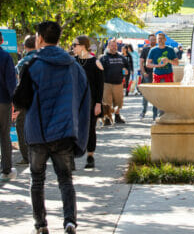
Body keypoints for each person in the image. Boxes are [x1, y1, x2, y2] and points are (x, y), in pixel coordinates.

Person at [13, 21, 90, 234]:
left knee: (37, 180)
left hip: (38, 132)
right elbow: (84, 96)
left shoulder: (33, 64)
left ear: (39, 38)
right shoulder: (74, 66)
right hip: (64, 131)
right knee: (66, 180)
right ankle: (70, 222)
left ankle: (41, 225)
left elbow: (21, 99)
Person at [72, 35, 104, 169]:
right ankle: (70, 157)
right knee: (73, 129)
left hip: (90, 102)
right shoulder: (72, 62)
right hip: (74, 102)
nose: (73, 48)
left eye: (75, 45)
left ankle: (90, 156)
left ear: (83, 46)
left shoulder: (95, 62)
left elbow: (100, 85)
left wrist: (98, 103)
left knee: (90, 129)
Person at [0, 29, 17, 187]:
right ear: (2, 41)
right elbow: (11, 82)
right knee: (5, 135)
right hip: (3, 101)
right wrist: (14, 101)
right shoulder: (6, 57)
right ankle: (6, 169)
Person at [14, 35, 37, 165]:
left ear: (25, 46)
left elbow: (17, 81)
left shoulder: (23, 62)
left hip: (26, 98)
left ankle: (27, 156)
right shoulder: (43, 59)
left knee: (21, 125)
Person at [100, 39, 129, 125]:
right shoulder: (103, 58)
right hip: (107, 83)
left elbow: (128, 68)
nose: (114, 47)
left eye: (115, 46)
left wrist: (126, 71)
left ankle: (117, 116)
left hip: (119, 83)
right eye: (112, 46)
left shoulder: (122, 58)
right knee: (107, 102)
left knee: (118, 102)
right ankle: (107, 118)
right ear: (108, 46)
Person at [139, 34, 158, 120]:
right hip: (147, 74)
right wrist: (143, 72)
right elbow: (141, 62)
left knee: (156, 94)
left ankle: (155, 114)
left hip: (156, 74)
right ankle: (143, 111)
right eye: (151, 39)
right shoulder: (145, 49)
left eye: (154, 39)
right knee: (146, 94)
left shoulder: (158, 49)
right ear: (148, 40)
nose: (153, 41)